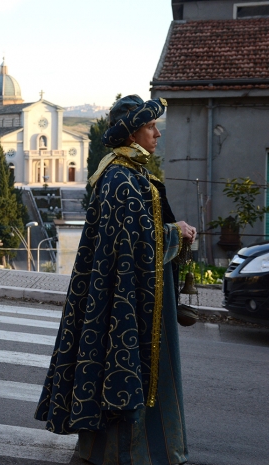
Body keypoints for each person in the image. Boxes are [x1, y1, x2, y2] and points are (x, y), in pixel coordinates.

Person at [35, 95, 196, 465]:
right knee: (126, 368)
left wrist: (169, 229)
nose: (157, 133)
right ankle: (132, 453)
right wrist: (176, 234)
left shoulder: (129, 171)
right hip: (129, 298)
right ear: (131, 133)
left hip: (135, 292)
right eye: (150, 127)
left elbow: (137, 233)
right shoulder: (120, 178)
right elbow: (140, 245)